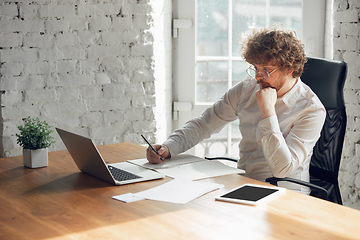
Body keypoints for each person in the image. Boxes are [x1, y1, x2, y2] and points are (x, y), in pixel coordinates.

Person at [146, 27, 326, 194]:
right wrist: (168, 147)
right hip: (245, 185)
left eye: (266, 70)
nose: (257, 77)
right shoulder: (247, 88)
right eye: (255, 68)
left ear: (290, 68)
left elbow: (282, 169)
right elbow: (204, 124)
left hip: (287, 196)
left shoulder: (312, 110)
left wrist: (268, 112)